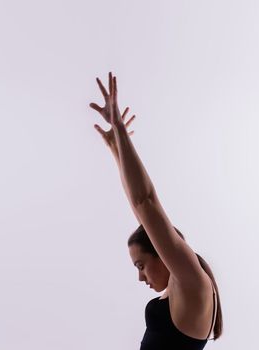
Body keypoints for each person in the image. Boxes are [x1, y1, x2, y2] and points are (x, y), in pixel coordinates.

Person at [89, 73, 223, 349]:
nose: (141, 277)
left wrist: (121, 132)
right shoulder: (182, 285)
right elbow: (140, 208)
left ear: (161, 253)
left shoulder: (192, 282)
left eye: (141, 265)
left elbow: (146, 202)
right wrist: (117, 148)